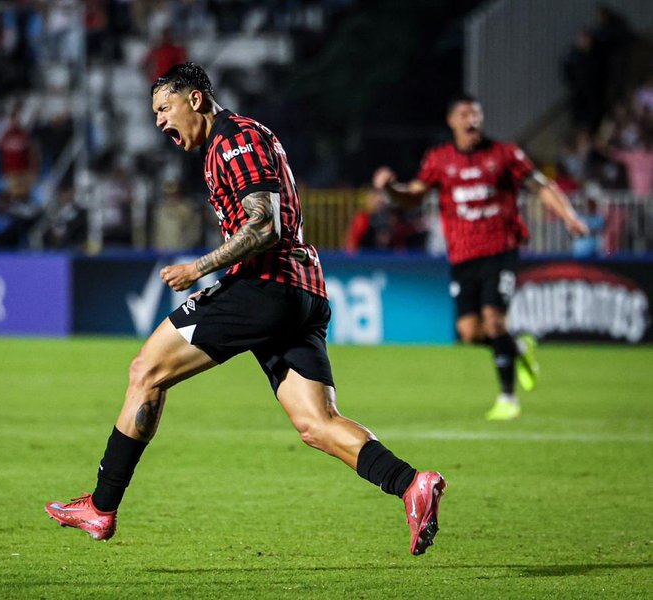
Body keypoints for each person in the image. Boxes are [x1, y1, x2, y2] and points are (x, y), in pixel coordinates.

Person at [45, 63, 446, 556]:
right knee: (316, 423)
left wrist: (200, 267)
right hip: (303, 291)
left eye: (163, 109)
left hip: (264, 285)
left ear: (195, 99)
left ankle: (101, 507)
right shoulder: (237, 141)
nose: (158, 123)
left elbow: (264, 226)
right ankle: (411, 484)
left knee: (146, 370)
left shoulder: (233, 142)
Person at [373, 95, 589, 421]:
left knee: (494, 320)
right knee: (470, 331)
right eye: (464, 114)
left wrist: (569, 216)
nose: (471, 119)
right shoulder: (440, 159)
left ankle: (508, 398)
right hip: (463, 255)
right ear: (451, 121)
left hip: (500, 249)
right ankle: (516, 348)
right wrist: (391, 190)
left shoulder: (504, 154)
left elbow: (541, 186)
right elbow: (413, 196)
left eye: (475, 113)